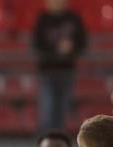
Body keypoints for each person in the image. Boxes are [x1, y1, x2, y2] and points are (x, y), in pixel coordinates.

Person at [32, 0, 87, 132]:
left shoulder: (73, 18)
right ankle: (45, 140)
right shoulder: (42, 19)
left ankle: (59, 140)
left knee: (63, 110)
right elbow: (37, 44)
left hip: (67, 70)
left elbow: (82, 42)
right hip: (47, 71)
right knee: (47, 109)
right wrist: (56, 48)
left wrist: (71, 48)